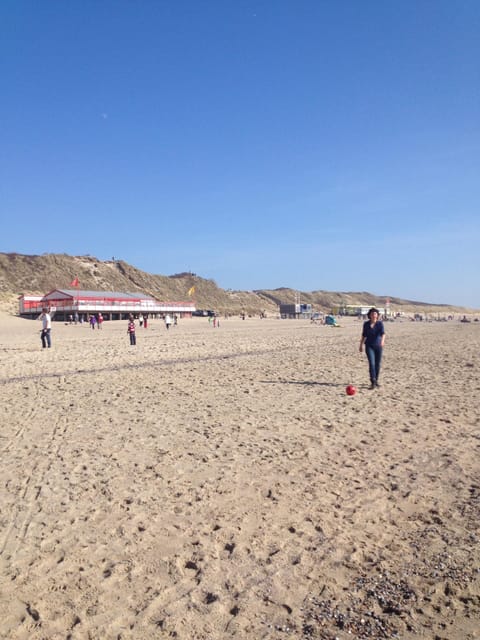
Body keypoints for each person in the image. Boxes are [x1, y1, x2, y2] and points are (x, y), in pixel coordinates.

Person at [359, 307, 385, 389]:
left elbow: (383, 334)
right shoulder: (366, 324)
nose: (374, 315)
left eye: (375, 314)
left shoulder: (380, 324)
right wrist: (361, 345)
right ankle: (373, 381)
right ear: (369, 315)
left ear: (377, 315)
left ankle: (376, 381)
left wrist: (382, 341)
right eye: (372, 314)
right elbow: (363, 335)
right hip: (369, 346)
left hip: (378, 346)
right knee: (372, 364)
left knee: (378, 364)